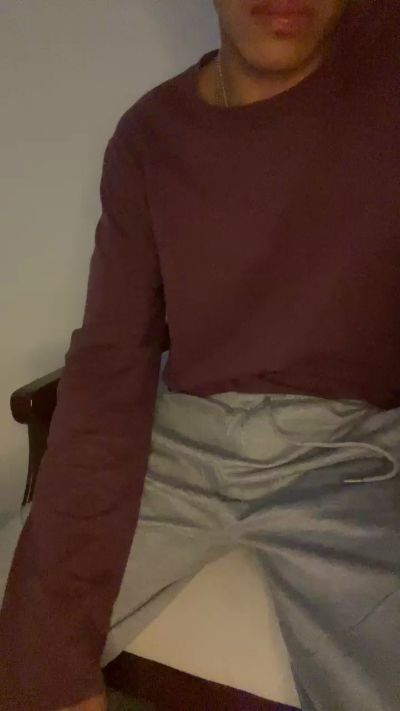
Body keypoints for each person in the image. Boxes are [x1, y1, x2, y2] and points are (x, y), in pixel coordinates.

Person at [1, 0, 400, 709]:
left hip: (355, 459)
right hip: (180, 442)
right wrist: (49, 673)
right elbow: (110, 368)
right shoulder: (149, 137)